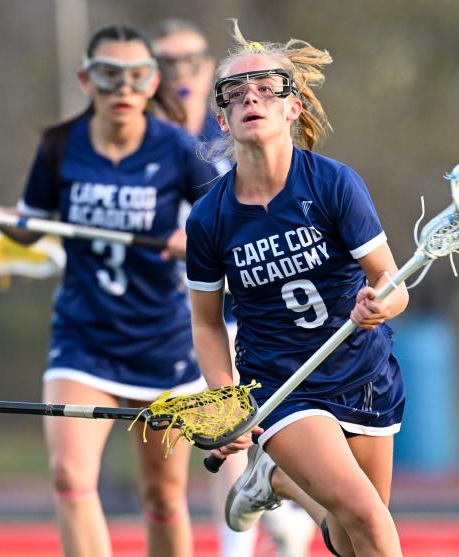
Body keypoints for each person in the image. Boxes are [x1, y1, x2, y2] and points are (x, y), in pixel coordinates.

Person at [0, 24, 217, 557]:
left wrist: (195, 237)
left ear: (151, 81)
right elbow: (32, 225)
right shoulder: (60, 146)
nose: (123, 89)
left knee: (162, 497)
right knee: (70, 478)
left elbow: (224, 219)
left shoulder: (180, 149)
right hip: (84, 338)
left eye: (136, 77)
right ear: (86, 80)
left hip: (162, 340)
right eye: (109, 76)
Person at [185, 21, 410, 557]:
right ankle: (281, 470)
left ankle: (279, 482)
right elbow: (206, 321)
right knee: (369, 518)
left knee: (351, 537)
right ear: (222, 118)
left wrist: (381, 304)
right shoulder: (210, 217)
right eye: (235, 93)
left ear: (294, 109)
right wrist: (226, 399)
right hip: (283, 385)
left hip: (364, 371)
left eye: (267, 88)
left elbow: (392, 282)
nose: (250, 99)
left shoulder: (333, 183)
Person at [153, 19, 316, 557]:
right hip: (155, 317)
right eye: (166, 63)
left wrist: (190, 242)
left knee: (227, 431)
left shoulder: (217, 137)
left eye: (190, 61)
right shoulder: (138, 135)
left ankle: (243, 538)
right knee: (189, 453)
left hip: (216, 313)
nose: (179, 74)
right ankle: (277, 512)